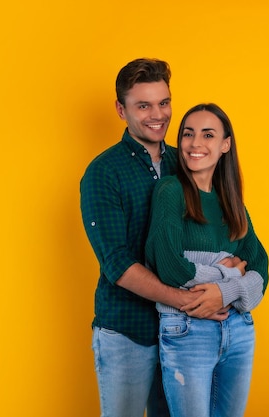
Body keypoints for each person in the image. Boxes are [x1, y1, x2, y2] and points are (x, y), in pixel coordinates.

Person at [80, 59, 227, 417]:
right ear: (121, 109)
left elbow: (220, 235)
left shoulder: (187, 162)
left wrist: (226, 288)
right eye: (143, 105)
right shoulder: (103, 172)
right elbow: (117, 263)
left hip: (186, 333)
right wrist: (186, 300)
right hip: (128, 332)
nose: (157, 114)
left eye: (164, 103)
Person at [145, 103, 269, 417]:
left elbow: (261, 268)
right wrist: (229, 274)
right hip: (187, 330)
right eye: (188, 134)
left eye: (208, 135)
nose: (195, 143)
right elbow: (171, 268)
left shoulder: (231, 201)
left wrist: (224, 292)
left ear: (225, 145)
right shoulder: (170, 190)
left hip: (239, 329)